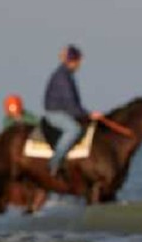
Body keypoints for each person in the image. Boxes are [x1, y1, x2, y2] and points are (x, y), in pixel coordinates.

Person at [43, 45, 103, 174]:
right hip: (55, 113)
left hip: (63, 111)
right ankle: (54, 163)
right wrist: (89, 115)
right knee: (74, 130)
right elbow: (71, 105)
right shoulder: (62, 77)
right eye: (79, 61)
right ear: (73, 61)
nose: (80, 65)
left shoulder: (66, 75)